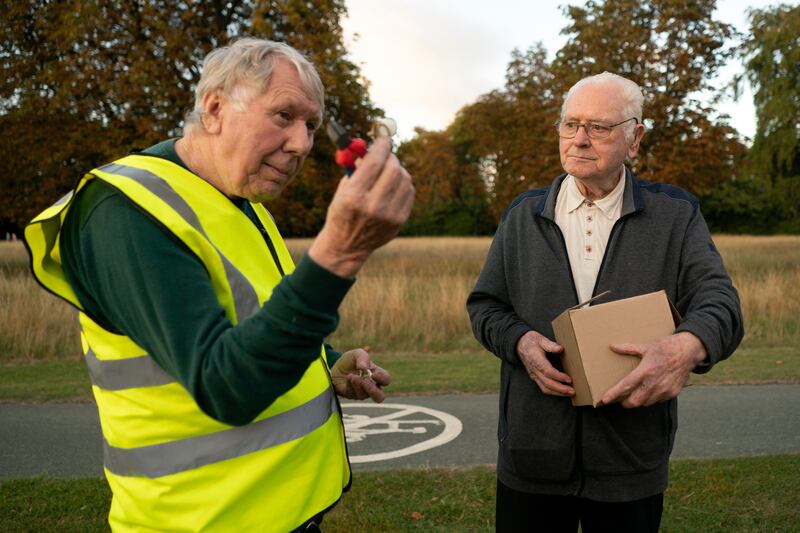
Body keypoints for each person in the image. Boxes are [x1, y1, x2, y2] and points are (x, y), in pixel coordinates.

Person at [25, 38, 414, 532]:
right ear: (214, 109)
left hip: (287, 514)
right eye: (283, 116)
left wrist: (326, 361)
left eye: (311, 125)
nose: (302, 144)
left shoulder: (243, 203)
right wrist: (340, 252)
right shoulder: (124, 211)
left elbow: (256, 320)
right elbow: (223, 384)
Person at [467, 72, 743, 532]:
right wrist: (518, 342)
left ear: (635, 138)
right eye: (569, 124)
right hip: (531, 456)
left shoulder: (676, 215)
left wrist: (687, 347)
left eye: (598, 127)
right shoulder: (522, 216)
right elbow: (485, 306)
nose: (579, 140)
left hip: (630, 462)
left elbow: (721, 305)